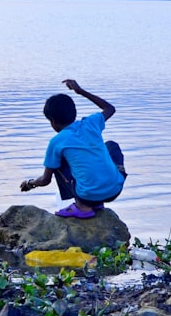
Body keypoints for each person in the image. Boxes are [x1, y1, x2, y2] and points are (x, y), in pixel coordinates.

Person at [20, 79, 126, 218]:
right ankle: (98, 199)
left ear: (53, 121)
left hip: (87, 196)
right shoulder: (91, 123)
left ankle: (83, 207)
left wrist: (29, 183)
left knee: (56, 162)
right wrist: (80, 91)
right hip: (115, 189)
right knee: (111, 146)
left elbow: (45, 180)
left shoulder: (57, 141)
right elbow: (110, 108)